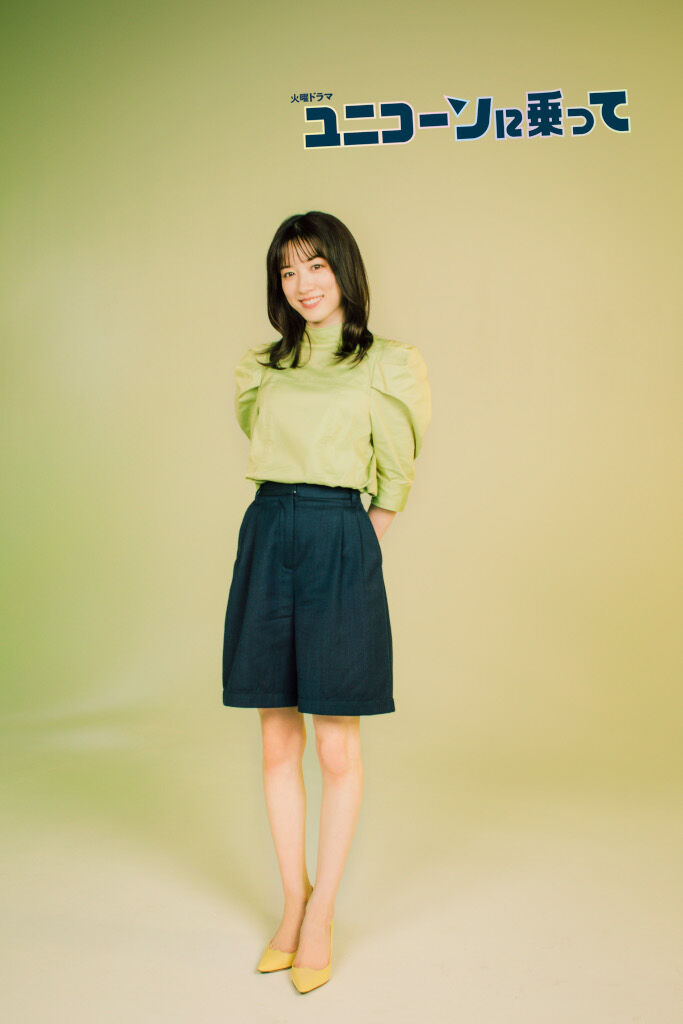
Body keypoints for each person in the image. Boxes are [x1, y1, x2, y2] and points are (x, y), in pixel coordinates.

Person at [221, 210, 431, 993]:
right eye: (287, 271)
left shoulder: (388, 362)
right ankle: (292, 902)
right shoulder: (261, 366)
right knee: (277, 742)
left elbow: (395, 472)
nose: (302, 284)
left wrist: (353, 544)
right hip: (268, 529)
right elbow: (262, 438)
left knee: (336, 746)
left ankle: (322, 912)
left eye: (315, 265)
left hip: (339, 533)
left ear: (343, 268)